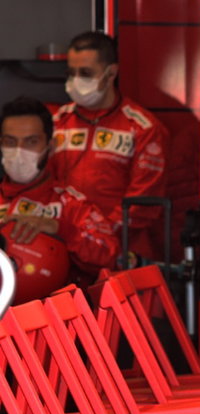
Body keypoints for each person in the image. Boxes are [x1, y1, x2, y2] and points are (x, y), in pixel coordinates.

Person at [51, 30, 168, 262]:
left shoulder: (143, 127)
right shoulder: (56, 123)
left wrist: (97, 237)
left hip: (122, 252)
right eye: (71, 73)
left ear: (111, 72)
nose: (75, 81)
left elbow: (143, 203)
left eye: (85, 73)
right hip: (64, 248)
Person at [1, 96, 121, 301]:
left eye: (31, 141)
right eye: (10, 141)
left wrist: (63, 231)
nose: (19, 151)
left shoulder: (72, 204)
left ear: (51, 146)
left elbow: (113, 257)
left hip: (54, 323)